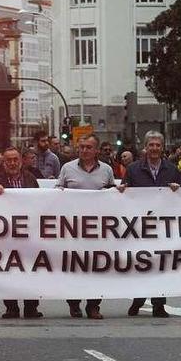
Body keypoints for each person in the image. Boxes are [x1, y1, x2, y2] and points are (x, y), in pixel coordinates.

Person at [118, 131, 181, 319]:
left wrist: (177, 190)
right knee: (142, 265)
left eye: (158, 145)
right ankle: (138, 298)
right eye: (151, 145)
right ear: (145, 147)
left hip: (163, 227)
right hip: (139, 227)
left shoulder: (172, 169)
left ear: (162, 148)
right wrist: (121, 190)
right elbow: (122, 195)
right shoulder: (133, 169)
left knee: (161, 266)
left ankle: (158, 304)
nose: (154, 148)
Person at [56, 134, 116, 319]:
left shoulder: (106, 170)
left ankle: (93, 305)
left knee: (96, 268)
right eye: (81, 147)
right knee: (73, 267)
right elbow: (57, 192)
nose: (84, 150)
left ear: (96, 150)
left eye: (89, 147)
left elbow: (114, 194)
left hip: (98, 230)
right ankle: (74, 303)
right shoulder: (67, 168)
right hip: (72, 229)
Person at [0, 147, 42, 319]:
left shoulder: (31, 179)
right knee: (8, 271)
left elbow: (41, 202)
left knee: (32, 270)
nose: (12, 163)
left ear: (21, 161)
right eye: (8, 160)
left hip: (28, 235)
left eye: (15, 159)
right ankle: (11, 307)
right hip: (5, 237)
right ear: (3, 163)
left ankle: (31, 307)